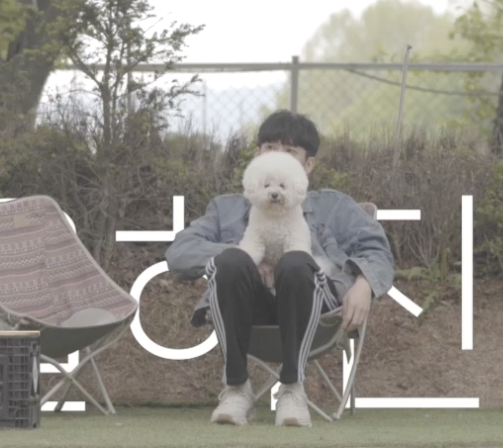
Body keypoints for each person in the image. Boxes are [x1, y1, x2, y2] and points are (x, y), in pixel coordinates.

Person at [164, 110, 392, 427]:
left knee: (296, 262)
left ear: (308, 165)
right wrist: (248, 257)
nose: (277, 157)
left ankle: (292, 389)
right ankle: (236, 388)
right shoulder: (225, 209)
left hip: (313, 308)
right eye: (270, 148)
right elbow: (179, 254)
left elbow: (377, 250)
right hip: (249, 309)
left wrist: (365, 284)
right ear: (257, 155)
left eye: (290, 151)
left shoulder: (334, 206)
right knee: (232, 261)